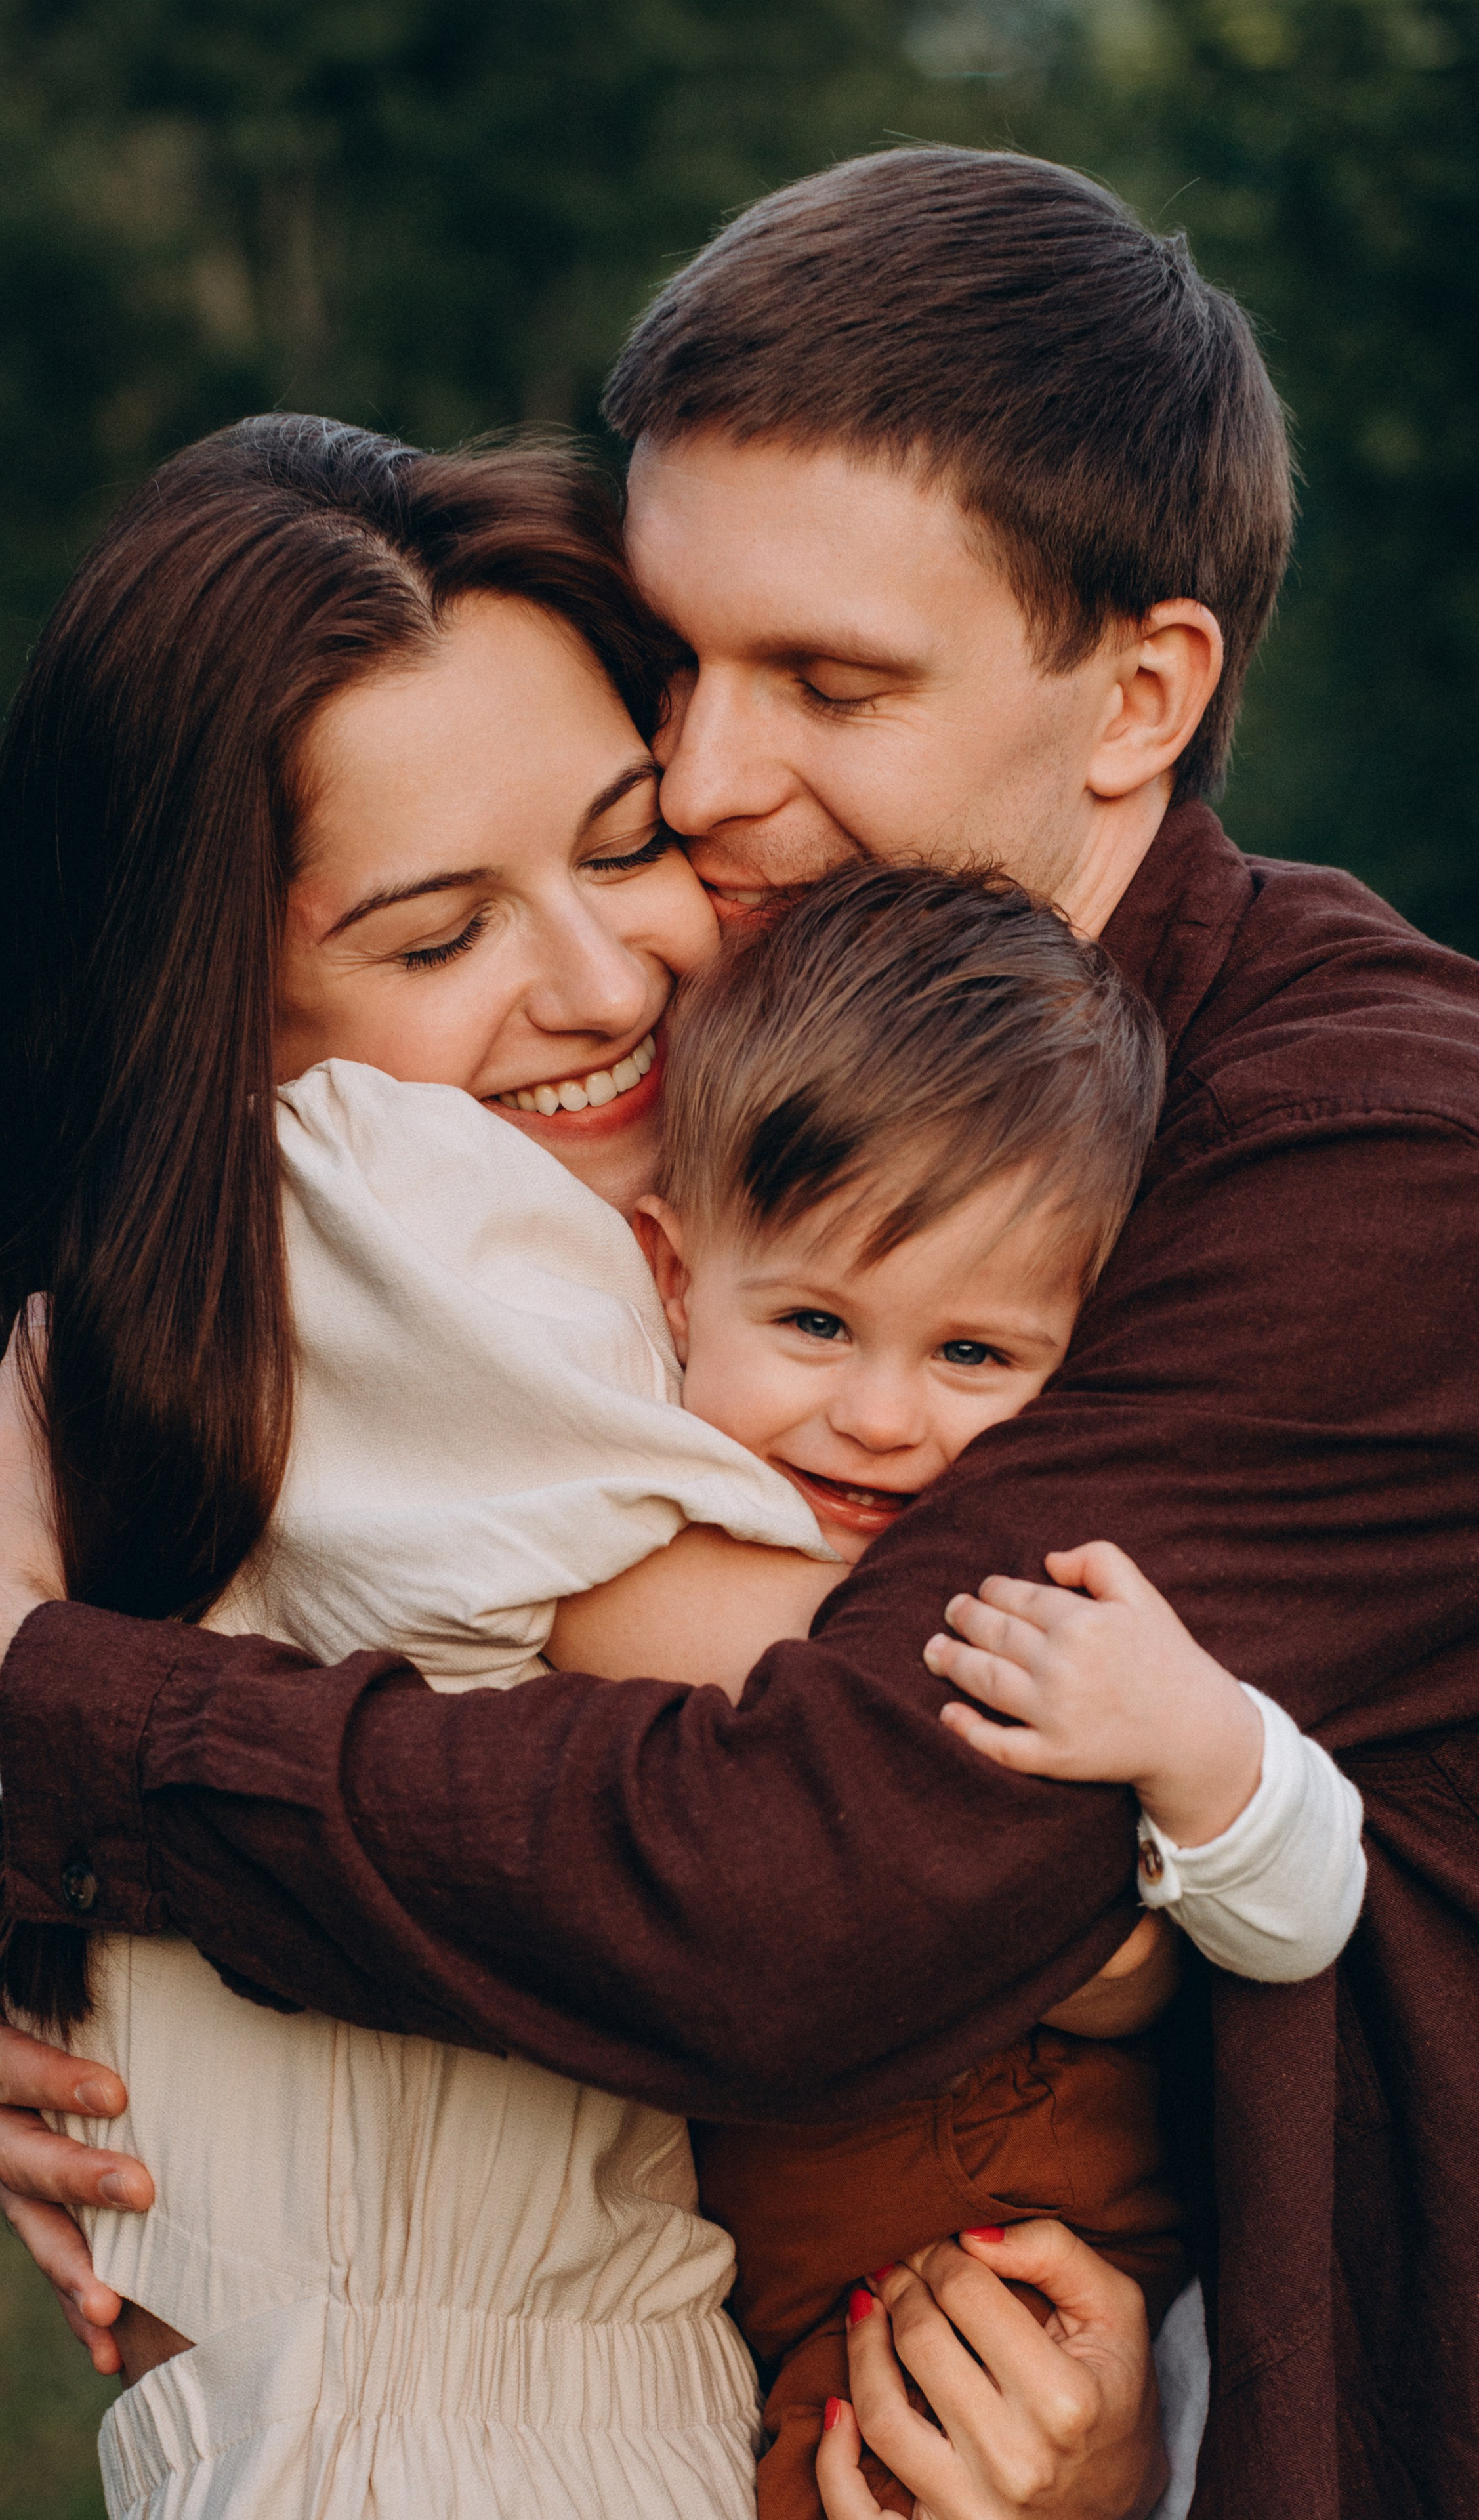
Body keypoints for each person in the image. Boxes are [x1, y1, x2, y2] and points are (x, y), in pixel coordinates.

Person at [0, 144, 1479, 2518]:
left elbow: (813, 1886)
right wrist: (22, 1898)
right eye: (680, 665)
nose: (710, 791)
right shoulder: (741, 1028)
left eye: (828, 680)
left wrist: (68, 1730)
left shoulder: (1374, 1161)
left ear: (1141, 694)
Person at [546, 864, 1365, 2520]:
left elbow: (1303, 1913)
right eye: (816, 1323)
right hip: (799, 2319)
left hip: (1079, 2275)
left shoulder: (1071, 1605)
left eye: (974, 1357)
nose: (881, 1418)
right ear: (674, 1270)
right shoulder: (633, 1528)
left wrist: (1199, 1752)